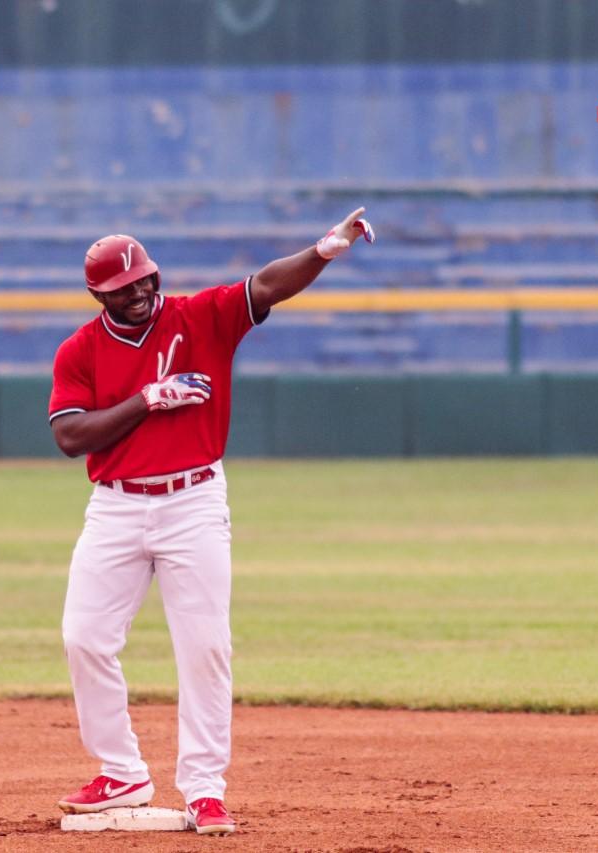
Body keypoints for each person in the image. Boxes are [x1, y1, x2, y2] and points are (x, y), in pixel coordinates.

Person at [48, 208, 374, 835]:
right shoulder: (80, 350)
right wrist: (146, 400)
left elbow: (266, 286)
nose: (140, 291)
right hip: (115, 504)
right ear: (98, 295)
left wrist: (326, 249)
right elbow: (69, 436)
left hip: (193, 498)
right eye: (124, 288)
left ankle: (204, 789)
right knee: (83, 636)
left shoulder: (200, 317)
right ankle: (121, 771)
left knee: (205, 647)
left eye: (145, 278)